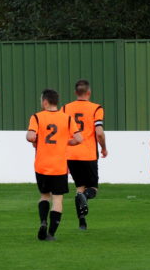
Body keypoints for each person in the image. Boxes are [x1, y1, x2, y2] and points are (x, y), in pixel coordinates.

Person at [26, 89, 82, 241]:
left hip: (41, 165)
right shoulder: (67, 118)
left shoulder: (36, 117)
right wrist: (66, 142)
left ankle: (43, 221)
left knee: (44, 196)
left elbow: (30, 136)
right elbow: (79, 139)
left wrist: (36, 140)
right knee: (57, 199)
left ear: (45, 102)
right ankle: (51, 233)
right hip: (59, 166)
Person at [61, 79, 108, 230]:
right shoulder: (96, 108)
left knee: (79, 187)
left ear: (75, 93)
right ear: (89, 92)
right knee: (92, 188)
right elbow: (99, 133)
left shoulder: (65, 108)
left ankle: (82, 221)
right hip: (88, 154)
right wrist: (104, 148)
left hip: (71, 154)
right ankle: (86, 197)